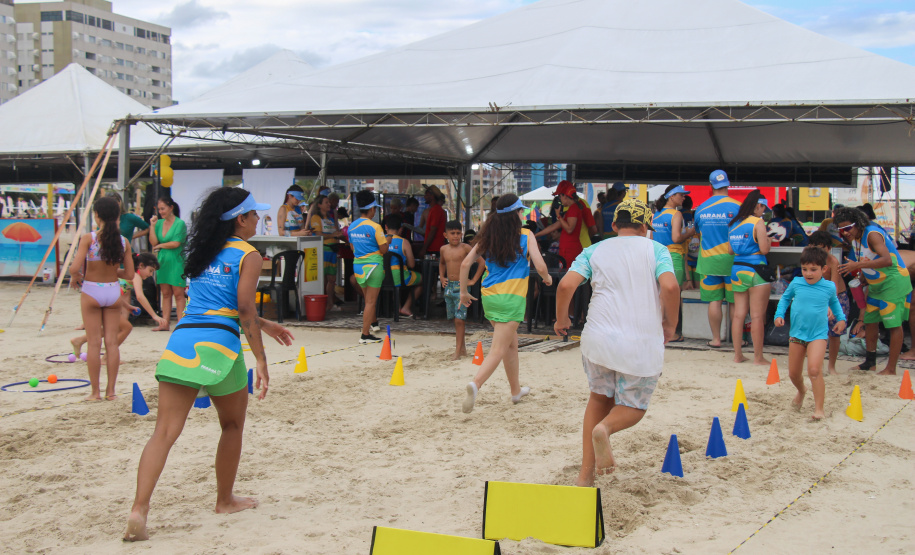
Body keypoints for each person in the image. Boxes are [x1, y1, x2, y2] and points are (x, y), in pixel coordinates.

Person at [124, 188, 294, 542]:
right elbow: (243, 308)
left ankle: (139, 508)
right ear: (239, 218)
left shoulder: (201, 251)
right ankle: (224, 500)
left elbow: (217, 303)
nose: (258, 219)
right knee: (231, 425)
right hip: (220, 347)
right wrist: (261, 358)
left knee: (164, 433)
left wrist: (266, 324)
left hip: (183, 341)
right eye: (254, 214)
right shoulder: (248, 254)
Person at [554, 198, 679, 485]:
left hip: (597, 341)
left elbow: (566, 285)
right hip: (640, 343)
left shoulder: (594, 250)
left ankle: (585, 477)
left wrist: (562, 319)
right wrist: (669, 324)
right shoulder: (656, 249)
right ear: (647, 226)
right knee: (634, 407)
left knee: (599, 398)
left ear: (613, 225)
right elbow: (670, 286)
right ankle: (606, 429)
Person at [459, 195, 551, 413]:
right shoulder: (526, 235)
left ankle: (515, 391)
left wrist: (464, 292)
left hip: (489, 297)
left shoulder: (487, 236)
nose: (523, 215)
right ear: (516, 214)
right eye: (521, 211)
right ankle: (476, 384)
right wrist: (546, 278)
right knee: (499, 348)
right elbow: (540, 264)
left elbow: (465, 264)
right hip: (512, 299)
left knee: (510, 344)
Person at [69, 197, 135, 401]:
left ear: (96, 215)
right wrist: (114, 271)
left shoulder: (89, 239)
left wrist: (76, 276)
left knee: (94, 344)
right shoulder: (123, 242)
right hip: (113, 291)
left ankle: (95, 392)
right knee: (112, 343)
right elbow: (130, 274)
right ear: (117, 217)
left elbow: (74, 267)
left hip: (91, 291)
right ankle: (111, 391)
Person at [835, 206, 912, 375]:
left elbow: (887, 260)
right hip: (876, 284)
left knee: (893, 324)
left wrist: (858, 265)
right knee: (870, 322)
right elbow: (871, 260)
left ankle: (891, 368)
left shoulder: (872, 234)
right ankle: (870, 363)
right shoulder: (855, 239)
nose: (845, 233)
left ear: (858, 223)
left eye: (848, 228)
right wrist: (862, 276)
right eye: (841, 230)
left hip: (894, 282)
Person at [774, 246, 846, 420]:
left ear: (824, 269)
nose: (808, 273)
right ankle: (802, 390)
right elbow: (784, 298)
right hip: (797, 334)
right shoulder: (796, 283)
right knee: (793, 373)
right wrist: (778, 314)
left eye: (813, 270)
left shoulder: (829, 286)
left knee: (814, 370)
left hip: (818, 335)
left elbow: (835, 304)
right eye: (805, 269)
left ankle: (819, 408)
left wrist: (841, 319)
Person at [70, 253, 165, 359]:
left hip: (101, 299)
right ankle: (107, 357)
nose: (151, 275)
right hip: (103, 301)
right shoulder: (135, 276)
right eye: (150, 270)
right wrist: (154, 315)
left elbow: (115, 292)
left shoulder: (129, 276)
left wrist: (127, 306)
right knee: (126, 328)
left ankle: (80, 340)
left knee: (115, 328)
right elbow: (140, 297)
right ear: (141, 266)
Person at [695, 170, 740, 348]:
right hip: (733, 262)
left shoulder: (701, 208)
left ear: (710, 185)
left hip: (708, 261)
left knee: (714, 301)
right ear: (728, 184)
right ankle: (737, 340)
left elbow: (699, 234)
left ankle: (716, 339)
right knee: (735, 301)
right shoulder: (738, 207)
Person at [727, 191, 772, 365]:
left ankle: (738, 355)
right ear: (758, 205)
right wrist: (767, 239)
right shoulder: (758, 222)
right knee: (757, 316)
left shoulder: (734, 223)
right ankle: (758, 357)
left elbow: (731, 251)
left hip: (737, 270)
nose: (763, 211)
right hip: (756, 270)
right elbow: (765, 249)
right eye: (763, 208)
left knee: (738, 315)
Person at [439, 220, 484, 359]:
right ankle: (462, 349)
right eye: (452, 233)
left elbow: (482, 262)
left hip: (461, 287)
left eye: (458, 233)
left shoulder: (465, 248)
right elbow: (441, 263)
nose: (456, 236)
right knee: (454, 318)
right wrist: (441, 277)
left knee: (460, 319)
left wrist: (474, 280)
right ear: (445, 234)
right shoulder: (443, 249)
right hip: (449, 287)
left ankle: (457, 351)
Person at [348, 190, 388, 343]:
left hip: (358, 266)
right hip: (374, 266)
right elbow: (384, 249)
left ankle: (372, 328)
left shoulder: (352, 226)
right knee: (371, 302)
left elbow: (353, 248)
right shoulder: (376, 227)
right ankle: (365, 334)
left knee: (367, 301)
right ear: (372, 209)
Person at [808, 231, 850, 375]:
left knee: (835, 333)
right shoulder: (809, 261)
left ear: (829, 248)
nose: (819, 251)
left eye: (822, 248)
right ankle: (816, 365)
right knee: (816, 333)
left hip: (837, 298)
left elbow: (834, 287)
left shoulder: (832, 261)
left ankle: (831, 367)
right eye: (816, 248)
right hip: (819, 297)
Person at [149, 196, 187, 332]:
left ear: (171, 208)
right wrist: (152, 226)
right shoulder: (158, 223)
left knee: (178, 293)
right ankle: (164, 323)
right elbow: (153, 242)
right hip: (163, 261)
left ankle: (181, 323)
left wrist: (160, 245)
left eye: (163, 208)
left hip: (177, 261)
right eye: (159, 209)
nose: (160, 212)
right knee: (165, 293)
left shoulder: (180, 223)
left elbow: (176, 243)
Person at [534, 180, 592, 267]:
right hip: (568, 250)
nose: (560, 199)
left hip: (570, 250)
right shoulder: (571, 209)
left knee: (567, 277)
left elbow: (569, 229)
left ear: (564, 195)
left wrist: (559, 216)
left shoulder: (573, 209)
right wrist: (535, 235)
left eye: (560, 196)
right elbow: (555, 226)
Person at [653, 185, 695, 291]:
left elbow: (651, 236)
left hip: (657, 256)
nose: (684, 198)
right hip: (674, 257)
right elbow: (676, 238)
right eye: (681, 195)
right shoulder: (676, 214)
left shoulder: (656, 214)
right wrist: (690, 233)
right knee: (674, 294)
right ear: (672, 196)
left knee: (660, 292)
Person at [307, 195, 345, 309]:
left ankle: (329, 303)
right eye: (326, 202)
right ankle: (322, 303)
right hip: (323, 250)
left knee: (332, 279)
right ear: (319, 205)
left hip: (333, 250)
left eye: (329, 202)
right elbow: (318, 235)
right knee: (323, 279)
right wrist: (333, 235)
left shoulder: (330, 218)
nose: (329, 204)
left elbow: (336, 232)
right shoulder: (315, 218)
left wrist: (346, 240)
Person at [383, 213, 423, 317]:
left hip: (382, 277)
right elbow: (412, 264)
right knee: (422, 280)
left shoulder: (379, 241)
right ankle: (406, 307)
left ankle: (397, 307)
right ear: (401, 229)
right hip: (400, 277)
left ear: (386, 227)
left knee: (393, 281)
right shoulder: (404, 242)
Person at [419, 185, 447, 257]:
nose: (424, 197)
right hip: (435, 248)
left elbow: (433, 231)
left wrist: (424, 248)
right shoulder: (435, 210)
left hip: (434, 249)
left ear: (432, 196)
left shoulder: (436, 210)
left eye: (426, 195)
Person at [681, 195, 700, 287]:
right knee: (696, 287)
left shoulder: (678, 213)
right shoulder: (688, 214)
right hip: (694, 257)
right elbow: (690, 229)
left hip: (687, 253)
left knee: (687, 286)